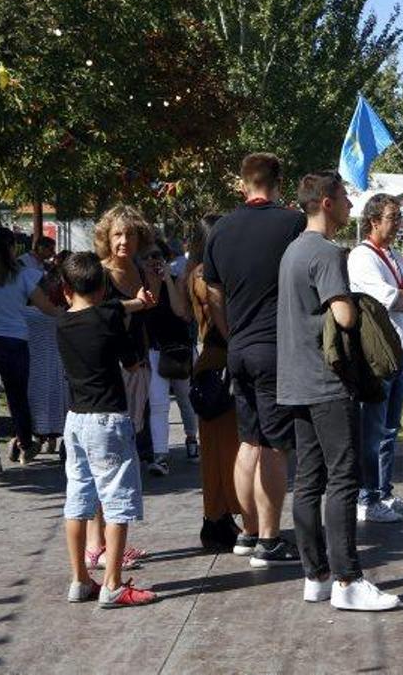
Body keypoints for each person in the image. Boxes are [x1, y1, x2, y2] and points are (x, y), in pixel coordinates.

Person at [278, 171, 400, 610]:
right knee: (344, 478)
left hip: (296, 380)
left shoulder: (292, 250)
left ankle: (316, 575)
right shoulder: (327, 253)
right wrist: (358, 302)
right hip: (327, 381)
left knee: (308, 481)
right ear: (327, 203)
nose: (351, 205)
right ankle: (348, 580)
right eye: (345, 198)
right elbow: (345, 317)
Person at [203, 153, 306, 566]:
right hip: (275, 347)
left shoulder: (220, 229)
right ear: (278, 182)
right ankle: (270, 538)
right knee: (275, 446)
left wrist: (231, 333)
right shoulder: (293, 223)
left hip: (239, 347)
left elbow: (213, 294)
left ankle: (247, 532)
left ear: (243, 183)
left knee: (248, 442)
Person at [56, 252, 159, 607]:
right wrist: (136, 308)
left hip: (75, 421)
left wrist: (135, 303)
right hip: (108, 421)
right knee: (116, 503)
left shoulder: (61, 322)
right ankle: (112, 585)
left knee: (77, 500)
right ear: (103, 288)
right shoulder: (108, 319)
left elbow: (111, 308)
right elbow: (130, 362)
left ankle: (79, 580)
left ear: (65, 290)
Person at [0, 226, 61, 473]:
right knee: (17, 399)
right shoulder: (24, 276)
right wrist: (72, 313)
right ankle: (26, 445)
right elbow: (47, 307)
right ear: (11, 248)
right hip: (14, 342)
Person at [92, 205, 156, 571]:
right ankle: (97, 546)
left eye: (130, 234)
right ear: (106, 237)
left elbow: (151, 311)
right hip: (111, 372)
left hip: (139, 366)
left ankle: (110, 543)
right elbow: (100, 318)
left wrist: (157, 281)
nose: (123, 241)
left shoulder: (139, 269)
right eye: (117, 234)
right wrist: (135, 303)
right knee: (107, 459)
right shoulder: (99, 274)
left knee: (124, 453)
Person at [347, 194, 403, 523]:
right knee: (373, 427)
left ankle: (383, 492)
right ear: (374, 221)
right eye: (392, 217)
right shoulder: (362, 256)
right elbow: (388, 299)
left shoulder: (395, 256)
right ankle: (367, 497)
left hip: (401, 346)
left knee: (390, 427)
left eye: (399, 216)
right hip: (378, 352)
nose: (398, 222)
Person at [186, 215, 245, 552]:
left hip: (210, 362)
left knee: (218, 449)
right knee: (225, 449)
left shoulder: (194, 273)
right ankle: (218, 517)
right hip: (218, 362)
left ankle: (219, 517)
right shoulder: (205, 276)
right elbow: (220, 313)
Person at [140, 239, 195, 476]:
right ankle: (160, 456)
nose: (152, 261)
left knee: (185, 398)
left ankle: (191, 437)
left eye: (157, 256)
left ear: (166, 259)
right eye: (147, 257)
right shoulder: (140, 286)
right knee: (158, 404)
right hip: (153, 351)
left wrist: (167, 281)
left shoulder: (175, 280)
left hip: (178, 350)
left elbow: (180, 311)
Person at [26, 249, 71, 449]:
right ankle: (54, 439)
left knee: (38, 400)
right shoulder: (63, 314)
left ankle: (39, 437)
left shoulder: (26, 314)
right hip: (58, 364)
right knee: (57, 401)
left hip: (35, 365)